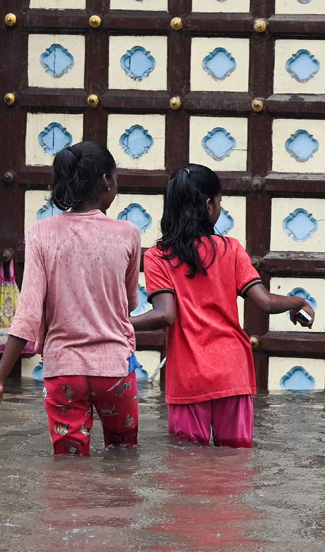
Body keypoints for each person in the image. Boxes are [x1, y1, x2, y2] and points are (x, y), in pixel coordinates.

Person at [133, 164, 313, 448]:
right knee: (235, 466)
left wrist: (120, 324)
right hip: (232, 373)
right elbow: (264, 302)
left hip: (189, 378)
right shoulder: (231, 248)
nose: (220, 206)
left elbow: (165, 315)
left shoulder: (157, 256)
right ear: (208, 205)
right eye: (219, 201)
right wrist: (297, 301)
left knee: (187, 469)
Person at [0, 141, 142, 455]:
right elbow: (130, 303)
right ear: (106, 181)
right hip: (115, 370)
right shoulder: (128, 233)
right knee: (124, 458)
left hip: (63, 370)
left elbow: (28, 313)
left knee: (68, 466)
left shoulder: (42, 232)